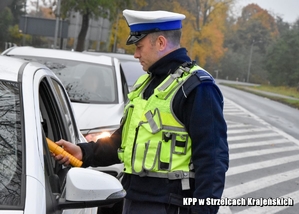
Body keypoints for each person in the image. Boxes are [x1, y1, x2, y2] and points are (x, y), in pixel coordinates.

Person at [54, 9, 229, 214]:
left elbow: (213, 162)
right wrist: (84, 152)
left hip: (169, 206)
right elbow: (123, 143)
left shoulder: (197, 87)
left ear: (161, 43)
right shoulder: (147, 83)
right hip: (133, 199)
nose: (136, 54)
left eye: (139, 47)